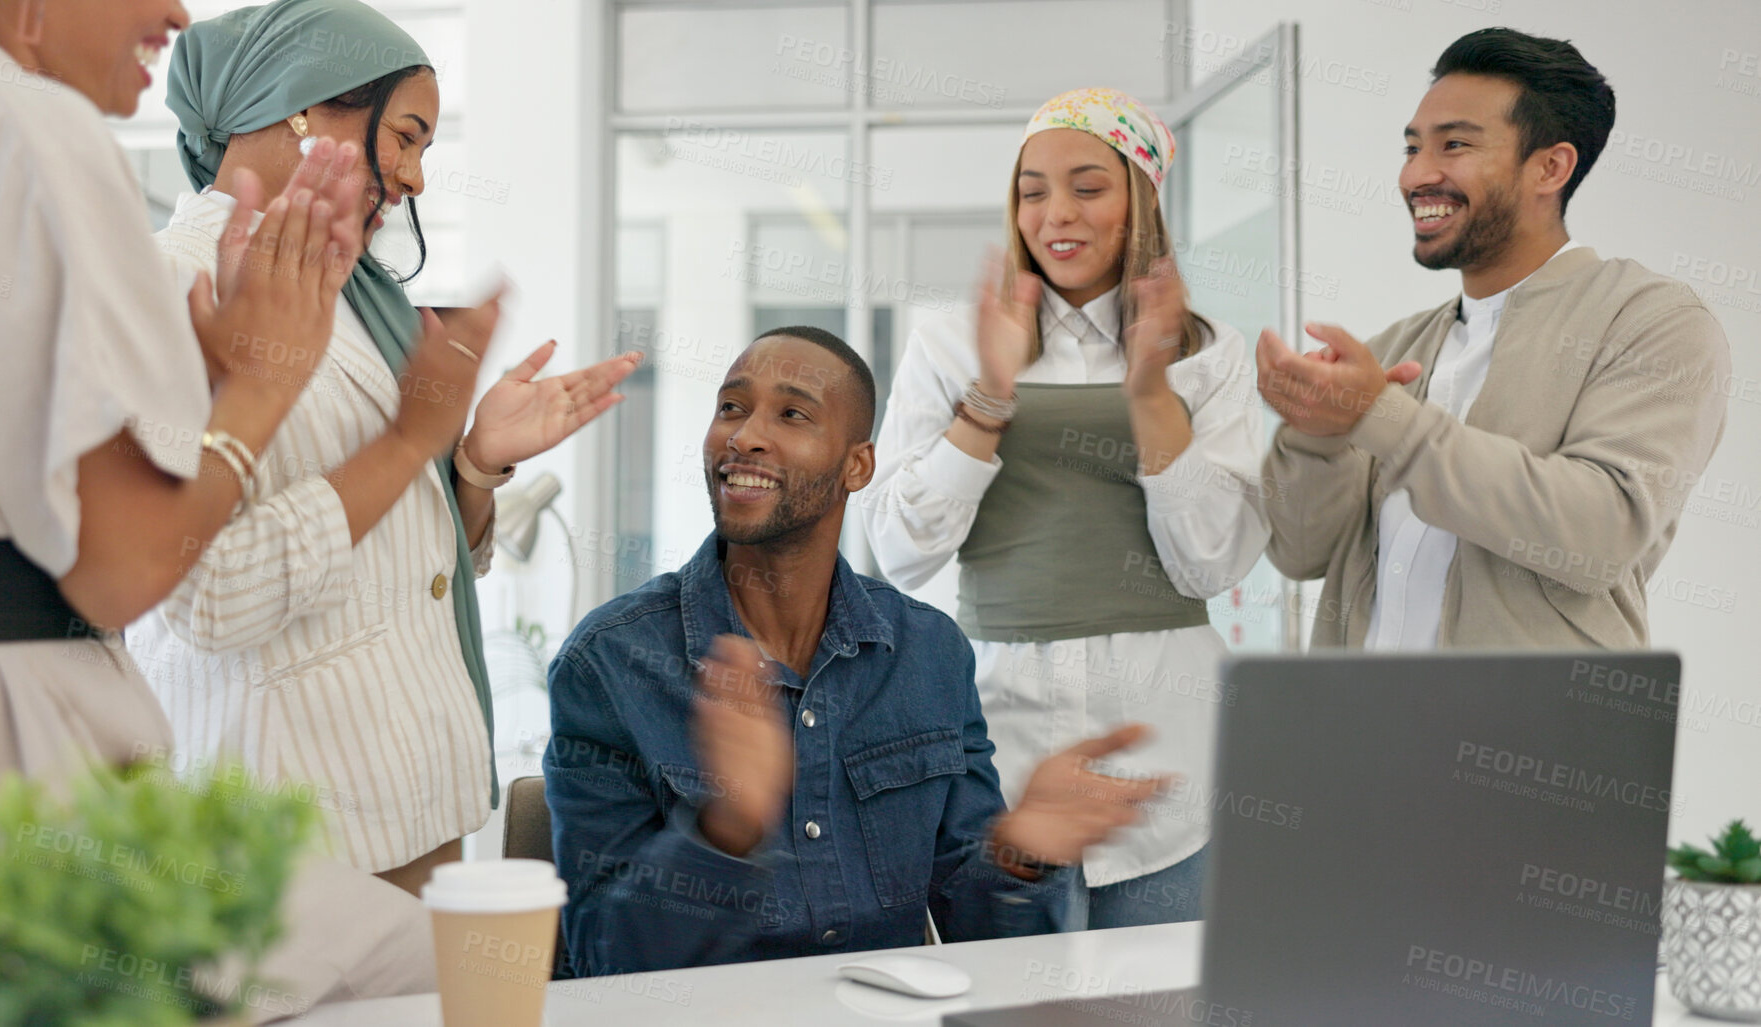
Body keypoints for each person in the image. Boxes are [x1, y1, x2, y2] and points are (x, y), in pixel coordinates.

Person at [0, 0, 438, 1013]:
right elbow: (123, 569)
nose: (176, 12)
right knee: (431, 958)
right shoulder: (34, 126)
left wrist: (200, 370)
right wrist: (266, 382)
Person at [126, 0, 642, 896]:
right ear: (302, 105)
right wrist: (410, 445)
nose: (411, 178)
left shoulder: (362, 301)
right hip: (281, 825)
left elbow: (409, 558)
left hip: (412, 795)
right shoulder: (167, 286)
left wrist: (472, 464)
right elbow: (204, 594)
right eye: (404, 137)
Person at [545, 326, 1167, 975]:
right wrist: (722, 834)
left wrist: (1020, 857)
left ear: (857, 465)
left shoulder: (928, 653)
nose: (744, 435)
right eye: (731, 406)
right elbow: (599, 958)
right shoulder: (609, 661)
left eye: (791, 413)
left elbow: (982, 939)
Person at [860, 88, 1268, 929]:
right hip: (1000, 740)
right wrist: (992, 390)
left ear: (1141, 202)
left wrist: (1150, 390)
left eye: (1087, 186)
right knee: (1011, 1002)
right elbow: (892, 553)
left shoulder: (1208, 352)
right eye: (1031, 190)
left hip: (1167, 746)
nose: (1055, 213)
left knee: (1163, 1005)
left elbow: (1213, 563)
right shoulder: (950, 340)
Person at [1256, 28, 1730, 649]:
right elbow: (1298, 553)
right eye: (1411, 147)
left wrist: (1381, 415)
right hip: (1364, 733)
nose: (1417, 174)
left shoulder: (1650, 319)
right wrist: (1313, 437)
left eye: (1454, 145)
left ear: (1550, 167)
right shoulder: (1398, 347)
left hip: (1538, 737)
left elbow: (1601, 535)